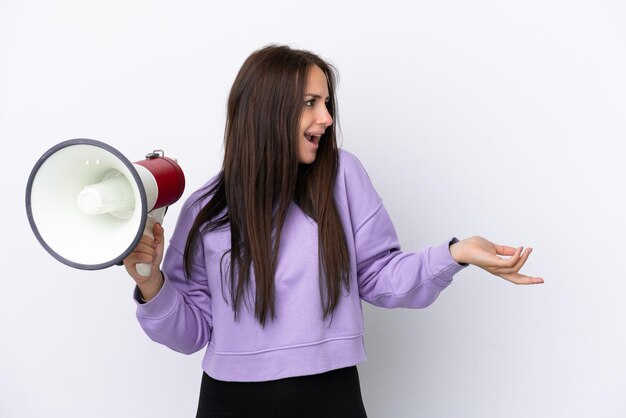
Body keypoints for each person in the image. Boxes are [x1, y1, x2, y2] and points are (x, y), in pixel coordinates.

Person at [123, 44, 543, 418]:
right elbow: (189, 332)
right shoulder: (205, 207)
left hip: (329, 396)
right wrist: (151, 279)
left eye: (326, 102)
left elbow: (380, 276)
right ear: (267, 109)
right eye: (310, 102)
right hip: (229, 401)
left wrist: (455, 253)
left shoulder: (342, 176)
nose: (326, 118)